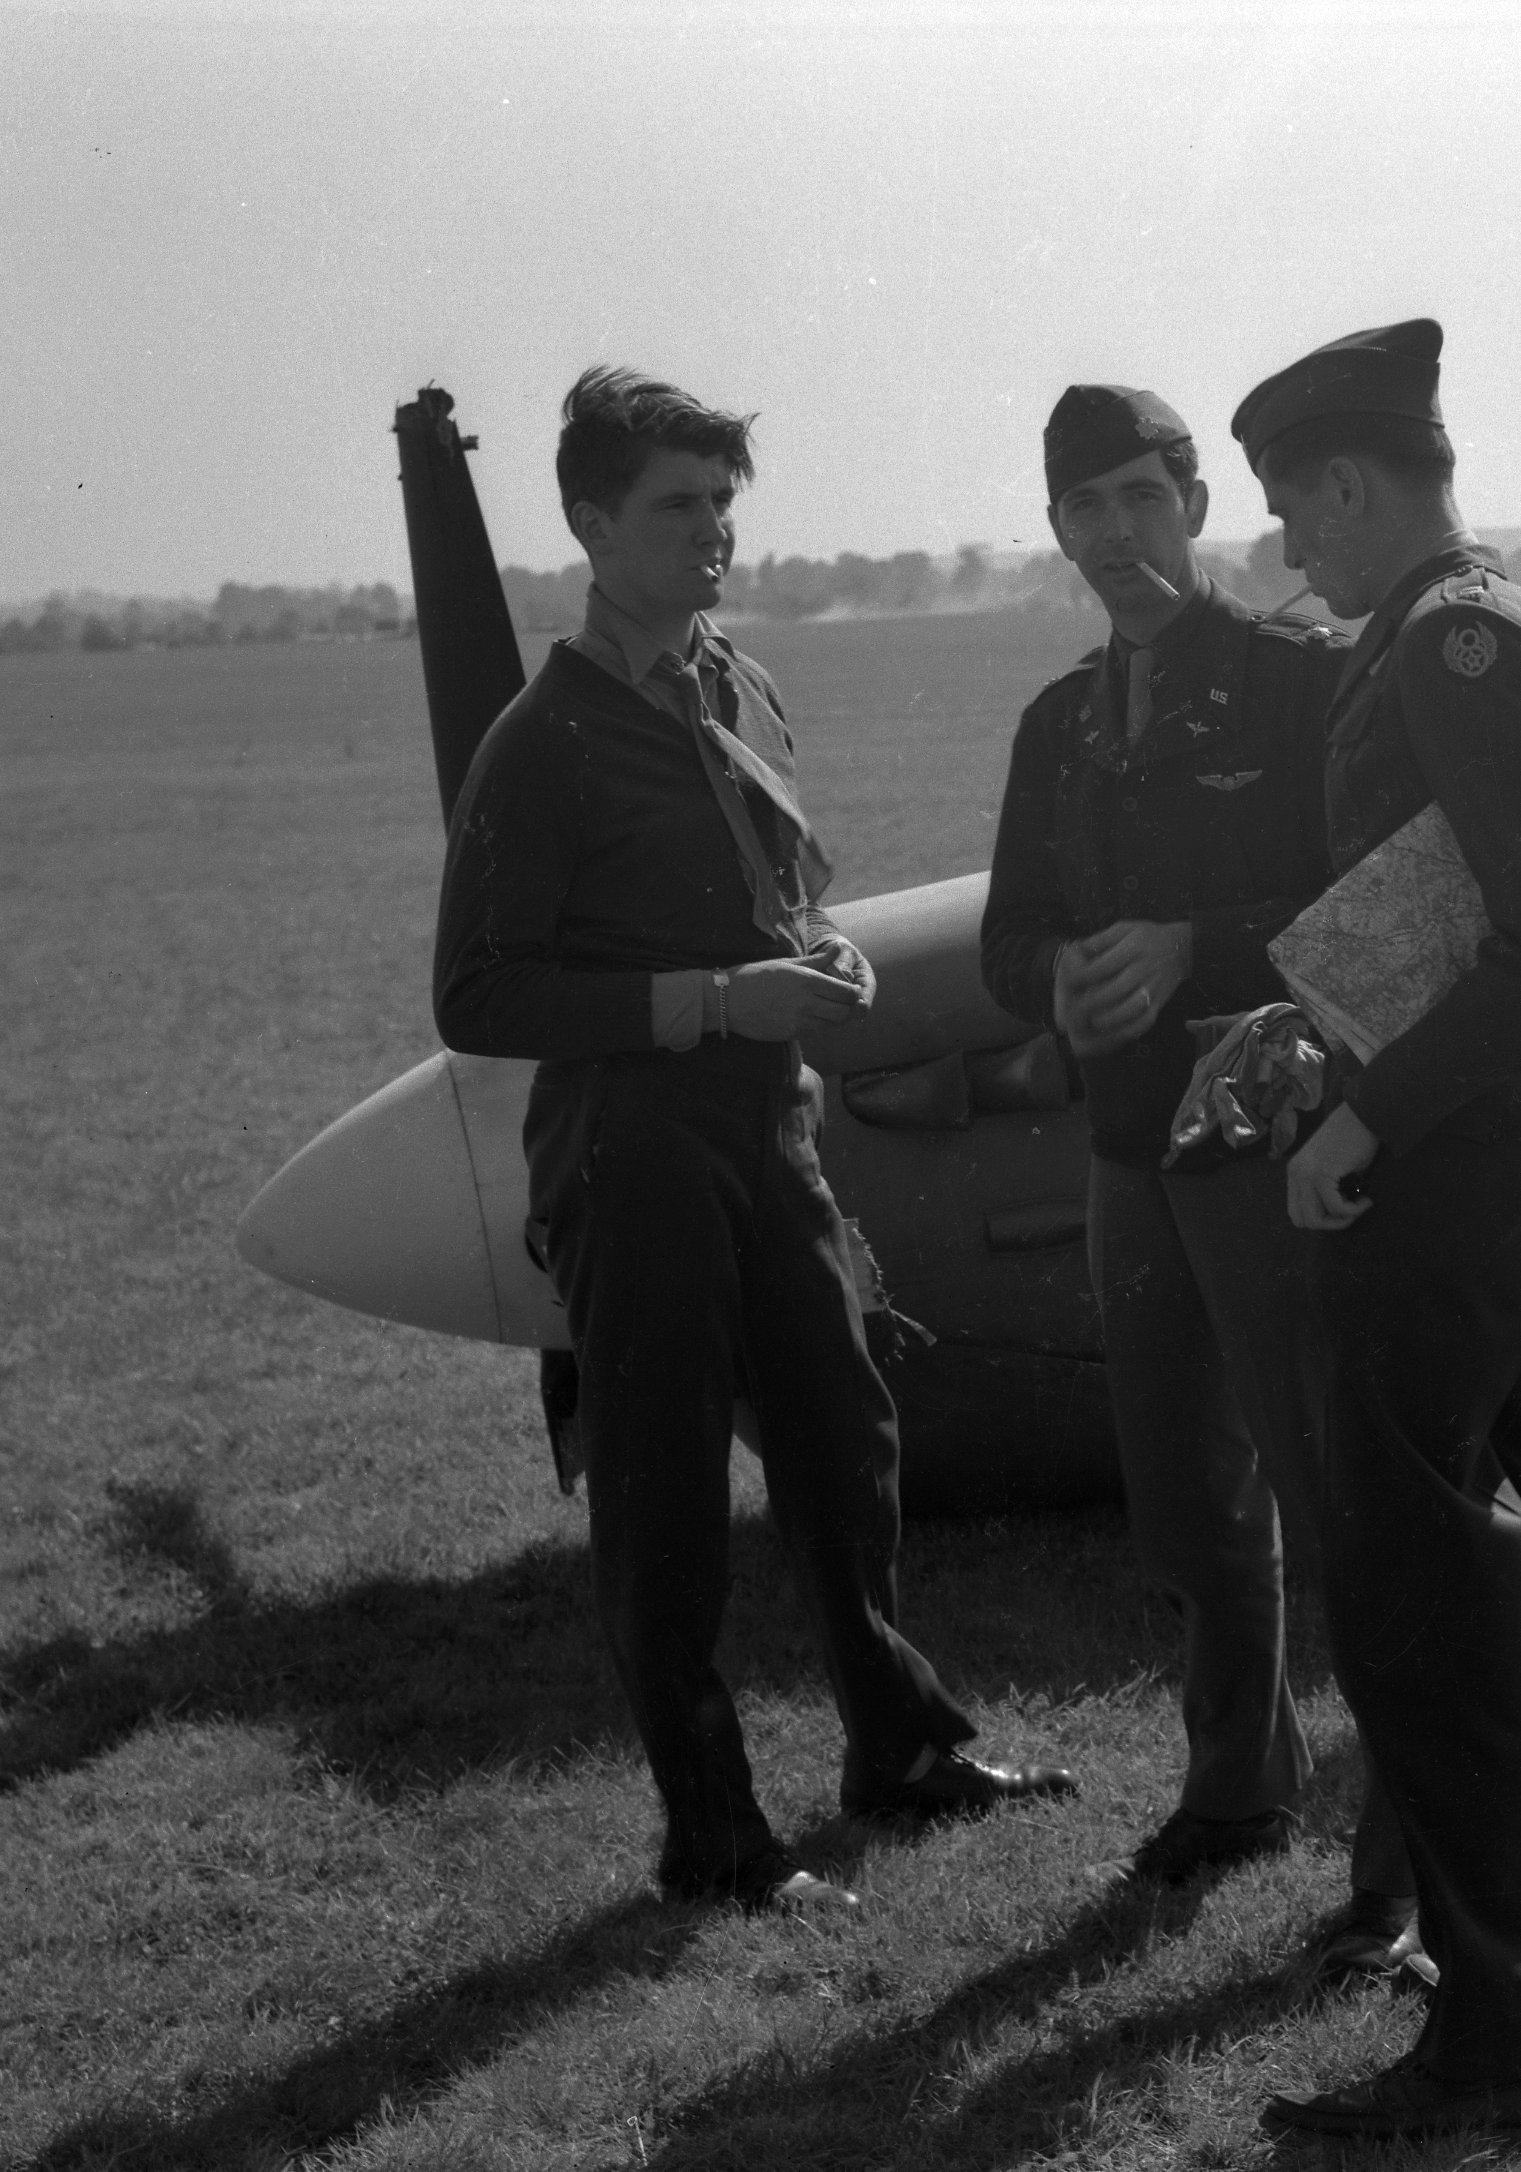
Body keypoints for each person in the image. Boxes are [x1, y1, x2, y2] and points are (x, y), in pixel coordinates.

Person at [433, 366, 1076, 1913]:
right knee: (661, 1498)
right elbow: (479, 992)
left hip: (767, 1128)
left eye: (724, 504)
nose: (712, 534)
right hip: (629, 1150)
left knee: (846, 1440)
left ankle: (901, 1749)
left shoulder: (740, 685)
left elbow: (764, 890)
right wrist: (721, 997)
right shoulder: (548, 739)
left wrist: (817, 955)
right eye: (677, 506)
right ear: (591, 522)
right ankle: (714, 1839)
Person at [1231, 320, 1521, 2143]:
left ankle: (1498, 2032)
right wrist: (1317, 1021)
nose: (1281, 550)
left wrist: (1361, 1114)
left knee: (1428, 1605)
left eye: (1282, 510)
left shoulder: (1447, 643)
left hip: (1444, 1183)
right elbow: (1458, 907)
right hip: (1496, 1167)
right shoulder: (1466, 626)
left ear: (1345, 482)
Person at [978, 385, 1426, 1982]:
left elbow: (1385, 900)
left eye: (1139, 497)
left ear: (1192, 502)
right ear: (1056, 533)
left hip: (1283, 1148)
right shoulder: (1058, 723)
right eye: (1081, 509)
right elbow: (1008, 928)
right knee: (1183, 1496)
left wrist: (1195, 949)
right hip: (1129, 1149)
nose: (1114, 534)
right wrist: (1057, 979)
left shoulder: (1307, 680)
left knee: (1337, 1488)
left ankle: (1401, 1857)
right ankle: (1238, 1785)